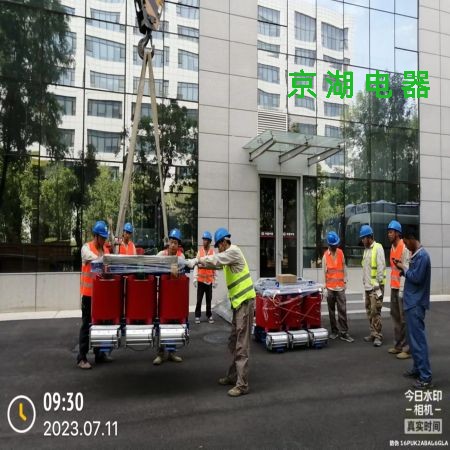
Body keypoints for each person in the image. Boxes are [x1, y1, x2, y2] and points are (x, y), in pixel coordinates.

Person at [186, 228, 255, 397]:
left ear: (224, 242)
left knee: (241, 344)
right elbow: (215, 263)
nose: (218, 248)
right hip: (238, 304)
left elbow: (216, 260)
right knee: (234, 341)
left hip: (245, 303)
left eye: (218, 245)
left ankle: (242, 385)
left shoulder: (233, 252)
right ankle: (233, 376)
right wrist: (198, 264)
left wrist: (196, 260)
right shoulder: (228, 256)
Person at [394, 228, 432, 389]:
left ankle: (425, 377)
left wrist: (404, 267)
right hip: (411, 303)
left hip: (416, 304)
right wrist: (404, 270)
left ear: (411, 238)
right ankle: (418, 369)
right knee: (412, 340)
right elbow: (413, 275)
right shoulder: (416, 255)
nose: (406, 246)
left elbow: (417, 278)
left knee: (418, 341)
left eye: (406, 242)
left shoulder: (423, 256)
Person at [77, 220, 111, 369]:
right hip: (88, 295)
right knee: (87, 325)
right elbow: (93, 258)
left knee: (100, 325)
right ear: (95, 236)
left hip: (101, 296)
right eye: (102, 237)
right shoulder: (86, 248)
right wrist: (104, 260)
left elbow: (108, 268)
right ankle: (81, 358)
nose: (104, 240)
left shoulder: (105, 251)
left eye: (105, 238)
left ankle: (99, 354)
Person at [153, 228, 184, 365]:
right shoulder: (161, 254)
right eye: (171, 242)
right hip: (163, 295)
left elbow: (180, 273)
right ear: (168, 243)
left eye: (175, 243)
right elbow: (152, 266)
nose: (173, 245)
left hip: (174, 296)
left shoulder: (181, 258)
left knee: (174, 324)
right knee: (162, 323)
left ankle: (172, 352)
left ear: (178, 245)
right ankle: (160, 353)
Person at [322, 231, 354, 343]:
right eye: (334, 244)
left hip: (340, 287)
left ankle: (344, 332)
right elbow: (324, 273)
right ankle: (334, 331)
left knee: (342, 310)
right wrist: (324, 287)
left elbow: (344, 267)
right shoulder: (325, 256)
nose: (336, 246)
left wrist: (345, 280)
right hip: (330, 288)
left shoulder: (340, 253)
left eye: (336, 244)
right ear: (330, 245)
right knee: (331, 311)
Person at [387, 220, 411, 360]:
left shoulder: (404, 247)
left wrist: (402, 290)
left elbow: (406, 269)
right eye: (388, 232)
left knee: (404, 319)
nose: (389, 234)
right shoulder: (392, 247)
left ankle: (407, 349)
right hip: (394, 287)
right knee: (395, 317)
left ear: (397, 233)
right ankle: (398, 345)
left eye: (391, 232)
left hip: (402, 288)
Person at [360, 224, 386, 347]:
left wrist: (378, 285)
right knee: (369, 311)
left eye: (363, 238)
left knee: (376, 311)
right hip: (367, 287)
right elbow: (366, 268)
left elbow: (381, 267)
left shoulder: (378, 247)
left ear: (369, 237)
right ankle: (373, 333)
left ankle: (378, 336)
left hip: (376, 287)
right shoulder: (366, 250)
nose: (362, 240)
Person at [193, 231, 217, 324]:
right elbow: (196, 265)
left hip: (209, 281)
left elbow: (214, 267)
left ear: (209, 241)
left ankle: (209, 315)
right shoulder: (200, 252)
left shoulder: (212, 252)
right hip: (201, 280)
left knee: (209, 300)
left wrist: (215, 280)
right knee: (199, 299)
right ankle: (197, 315)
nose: (204, 241)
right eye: (203, 240)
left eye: (206, 240)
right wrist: (195, 278)